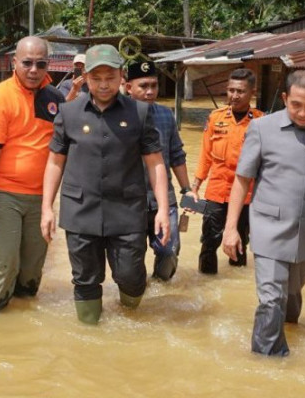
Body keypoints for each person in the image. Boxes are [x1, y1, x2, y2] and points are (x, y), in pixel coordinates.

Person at [222, 68, 305, 357]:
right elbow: (242, 180)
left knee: (290, 297)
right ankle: (268, 366)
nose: (303, 112)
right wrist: (231, 229)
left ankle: (290, 325)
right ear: (284, 98)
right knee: (271, 300)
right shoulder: (261, 129)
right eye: (296, 105)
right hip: (268, 229)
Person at [41, 44, 170, 324]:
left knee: (130, 276)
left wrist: (162, 209)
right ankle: (89, 335)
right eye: (96, 78)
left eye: (110, 77)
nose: (103, 85)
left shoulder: (140, 113)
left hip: (127, 210)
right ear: (85, 77)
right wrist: (47, 208)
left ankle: (131, 316)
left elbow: (155, 163)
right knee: (85, 279)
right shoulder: (68, 113)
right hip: (80, 210)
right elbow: (54, 162)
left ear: (122, 76)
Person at [0, 36, 64, 312]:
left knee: (31, 269)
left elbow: (62, 153)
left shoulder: (56, 98)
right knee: (3, 264)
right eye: (27, 63)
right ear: (14, 62)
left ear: (48, 64)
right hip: (4, 195)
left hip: (41, 198)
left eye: (41, 63)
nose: (34, 70)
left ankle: (24, 328)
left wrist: (50, 204)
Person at [124, 58, 196, 281]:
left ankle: (159, 290)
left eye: (153, 85)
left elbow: (176, 155)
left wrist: (187, 190)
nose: (149, 91)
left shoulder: (166, 116)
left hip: (163, 199)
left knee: (169, 251)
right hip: (129, 201)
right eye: (143, 86)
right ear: (128, 87)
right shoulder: (118, 117)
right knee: (129, 261)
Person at [191, 68, 264, 274]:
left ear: (252, 92)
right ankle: (206, 282)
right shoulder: (216, 118)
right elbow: (205, 155)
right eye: (230, 90)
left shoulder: (261, 121)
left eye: (240, 91)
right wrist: (195, 187)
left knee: (240, 243)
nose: (234, 96)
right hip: (216, 192)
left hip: (246, 197)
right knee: (208, 242)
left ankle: (236, 281)